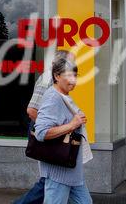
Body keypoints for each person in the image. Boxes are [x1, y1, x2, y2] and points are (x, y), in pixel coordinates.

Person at [13, 50, 74, 204]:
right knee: (49, 178)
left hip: (52, 133)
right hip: (46, 134)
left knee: (54, 177)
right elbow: (32, 110)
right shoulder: (47, 78)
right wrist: (49, 129)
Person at [34, 57, 92, 204]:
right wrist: (72, 124)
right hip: (59, 172)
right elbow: (41, 132)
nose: (73, 80)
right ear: (57, 76)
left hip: (71, 169)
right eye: (68, 76)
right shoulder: (53, 98)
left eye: (75, 76)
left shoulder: (64, 96)